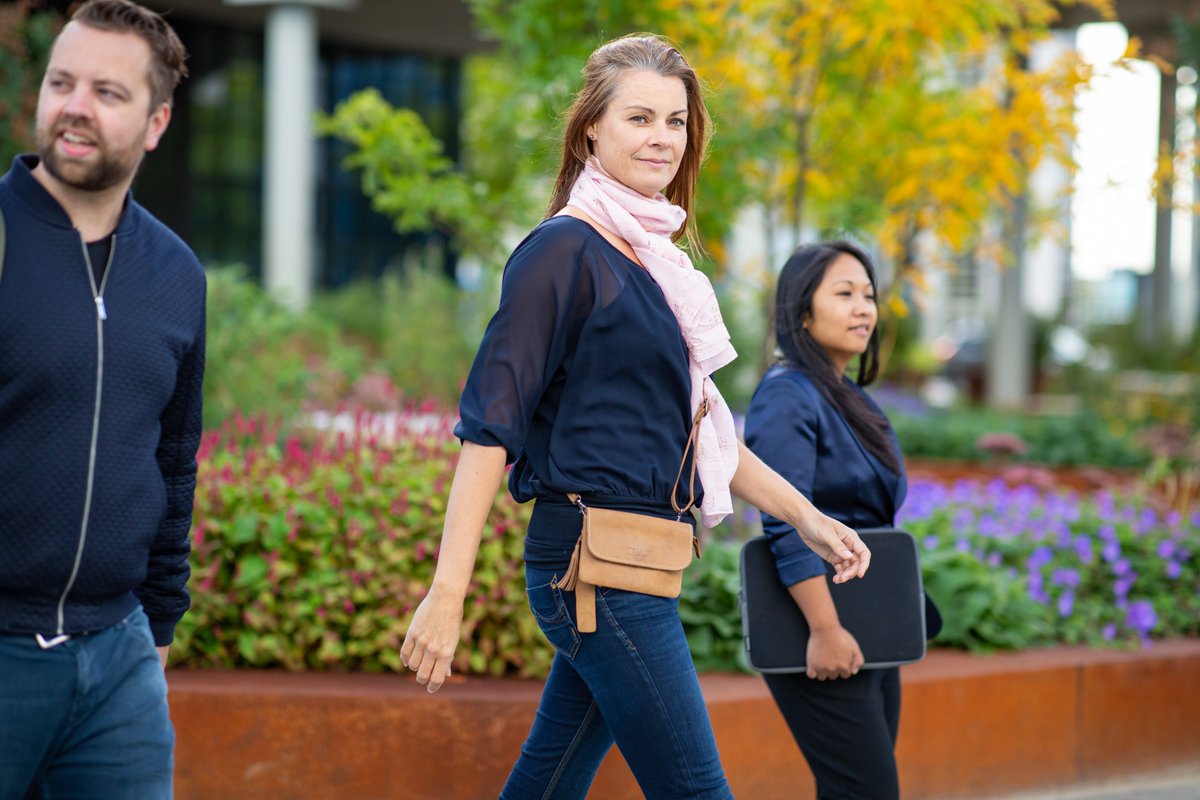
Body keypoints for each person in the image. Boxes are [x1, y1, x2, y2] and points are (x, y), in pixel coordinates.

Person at [400, 35, 871, 800]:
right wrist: (447, 590)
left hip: (639, 558)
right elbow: (491, 425)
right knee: (696, 789)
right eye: (640, 117)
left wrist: (808, 518)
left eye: (676, 121)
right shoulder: (563, 251)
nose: (662, 138)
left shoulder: (656, 260)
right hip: (592, 561)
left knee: (551, 776)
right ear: (592, 128)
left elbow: (704, 429)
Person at [0, 2, 203, 797]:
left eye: (107, 93)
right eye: (62, 82)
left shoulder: (177, 273)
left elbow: (174, 461)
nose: (75, 105)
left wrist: (156, 628)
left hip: (119, 662)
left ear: (155, 123)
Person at [744, 241, 940, 800]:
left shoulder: (844, 394)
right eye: (845, 293)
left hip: (872, 621)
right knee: (866, 790)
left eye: (870, 295)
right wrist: (825, 630)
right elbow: (785, 521)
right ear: (802, 313)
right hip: (821, 626)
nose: (864, 308)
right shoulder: (787, 396)